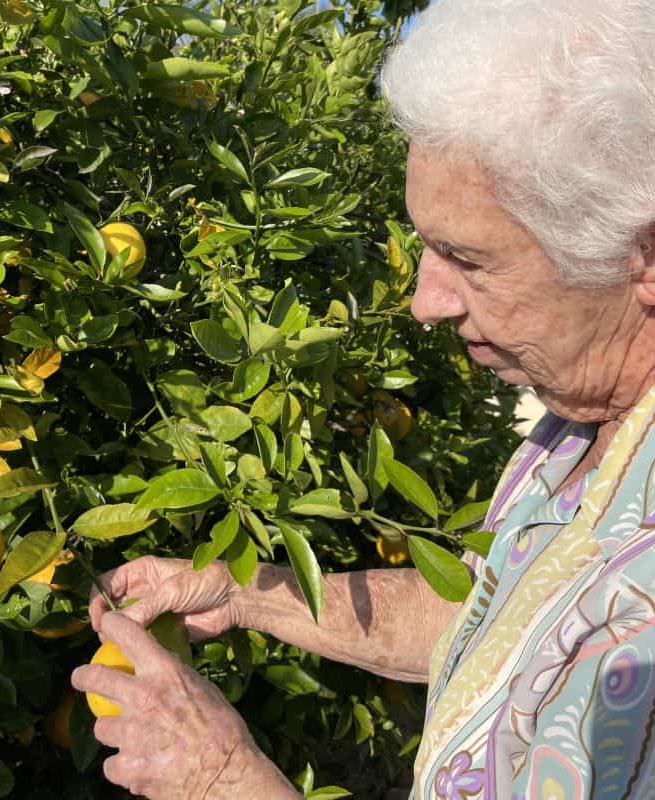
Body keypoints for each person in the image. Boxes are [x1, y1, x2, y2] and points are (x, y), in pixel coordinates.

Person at [71, 0, 655, 796]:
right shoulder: (573, 428)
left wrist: (219, 778)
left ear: (642, 257)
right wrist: (244, 591)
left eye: (467, 258)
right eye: (425, 243)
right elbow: (489, 621)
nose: (425, 300)